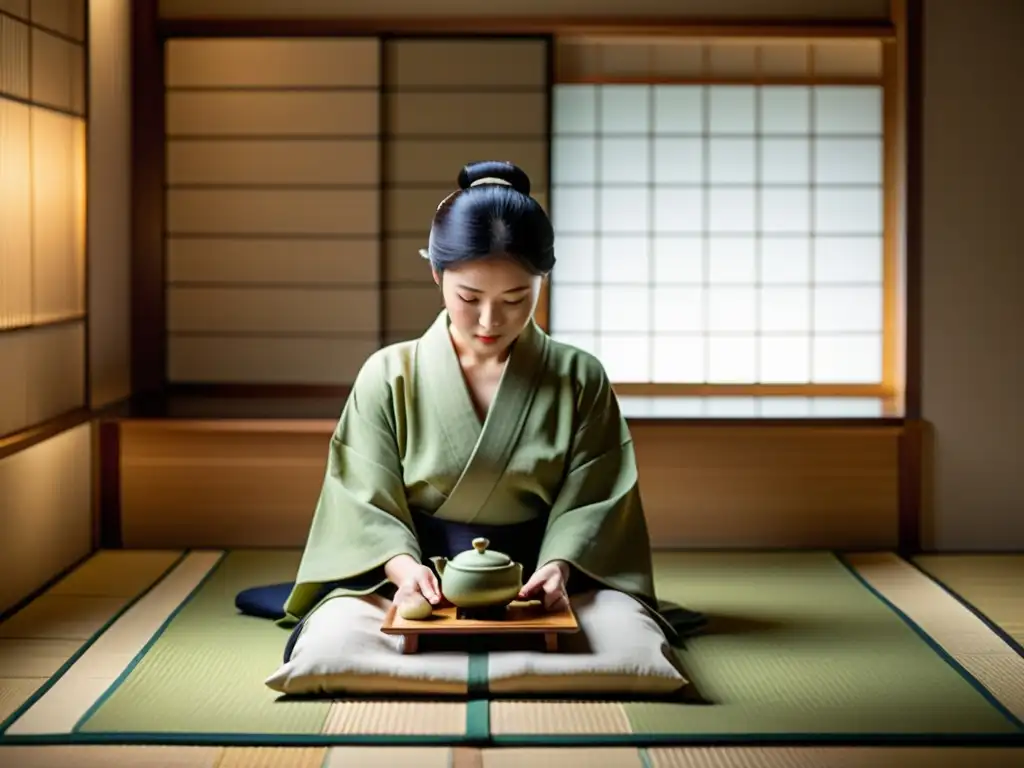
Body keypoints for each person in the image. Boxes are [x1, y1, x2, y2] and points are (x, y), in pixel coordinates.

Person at [236, 160, 706, 660]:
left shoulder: (579, 377)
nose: (490, 318)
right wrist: (401, 567)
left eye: (515, 297)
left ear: (541, 281)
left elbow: (596, 503)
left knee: (631, 649)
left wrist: (561, 567)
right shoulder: (389, 373)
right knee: (330, 647)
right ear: (436, 272)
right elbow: (361, 499)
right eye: (469, 297)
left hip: (540, 588)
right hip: (417, 585)